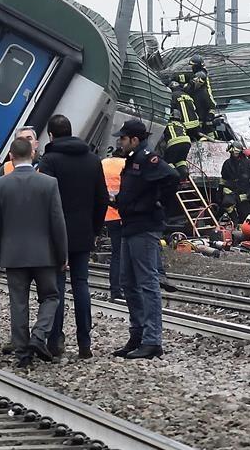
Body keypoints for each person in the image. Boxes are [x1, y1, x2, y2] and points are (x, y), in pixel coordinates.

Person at [0, 137, 68, 366]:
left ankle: (23, 354)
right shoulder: (49, 183)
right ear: (33, 155)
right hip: (45, 254)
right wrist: (63, 256)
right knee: (51, 297)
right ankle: (39, 335)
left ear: (11, 157)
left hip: (13, 255)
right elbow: (57, 223)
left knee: (18, 302)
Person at [37, 114, 108, 359]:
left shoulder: (50, 160)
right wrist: (95, 229)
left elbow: (43, 199)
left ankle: (55, 341)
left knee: (55, 288)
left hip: (56, 235)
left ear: (52, 135)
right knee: (81, 285)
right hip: (83, 233)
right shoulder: (92, 159)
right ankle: (84, 343)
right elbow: (102, 198)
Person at [112, 119, 179, 359]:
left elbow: (172, 176)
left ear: (134, 139)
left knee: (147, 283)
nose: (119, 141)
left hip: (144, 226)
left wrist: (156, 202)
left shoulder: (147, 158)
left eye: (122, 138)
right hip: (130, 224)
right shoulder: (133, 159)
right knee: (127, 281)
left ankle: (152, 340)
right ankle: (138, 334)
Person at [102, 148, 126, 300]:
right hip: (125, 214)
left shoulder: (103, 163)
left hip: (108, 214)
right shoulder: (126, 164)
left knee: (116, 254)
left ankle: (115, 289)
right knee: (125, 253)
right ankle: (124, 287)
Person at [220, 142, 250, 223]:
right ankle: (235, 222)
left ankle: (243, 227)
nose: (233, 154)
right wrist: (221, 190)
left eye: (235, 152)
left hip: (244, 193)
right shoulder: (227, 163)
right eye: (231, 152)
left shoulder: (248, 163)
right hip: (232, 191)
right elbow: (223, 179)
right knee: (227, 203)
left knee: (244, 214)